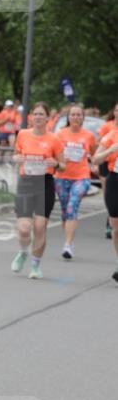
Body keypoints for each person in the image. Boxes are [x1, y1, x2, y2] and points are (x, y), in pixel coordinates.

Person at [11, 101, 65, 279]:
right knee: (24, 229)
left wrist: (56, 163)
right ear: (31, 117)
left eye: (42, 114)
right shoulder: (23, 135)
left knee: (40, 227)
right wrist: (17, 158)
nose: (38, 117)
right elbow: (15, 154)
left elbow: (63, 164)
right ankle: (23, 251)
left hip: (45, 184)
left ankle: (35, 265)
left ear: (48, 118)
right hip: (26, 182)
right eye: (36, 114)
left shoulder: (54, 139)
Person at [53, 103, 97, 259]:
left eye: (79, 115)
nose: (76, 117)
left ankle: (67, 245)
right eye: (73, 114)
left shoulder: (89, 136)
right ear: (68, 117)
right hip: (62, 177)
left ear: (83, 118)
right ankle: (69, 240)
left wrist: (94, 165)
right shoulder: (59, 134)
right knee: (65, 212)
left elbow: (94, 154)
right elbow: (53, 153)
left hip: (82, 177)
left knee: (72, 206)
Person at [92, 121, 118, 283]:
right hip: (115, 181)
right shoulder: (112, 135)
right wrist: (110, 150)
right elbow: (96, 160)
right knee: (115, 226)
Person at [98, 104, 117, 239]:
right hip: (109, 165)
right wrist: (109, 150)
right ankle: (110, 220)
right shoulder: (108, 128)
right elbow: (100, 144)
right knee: (108, 193)